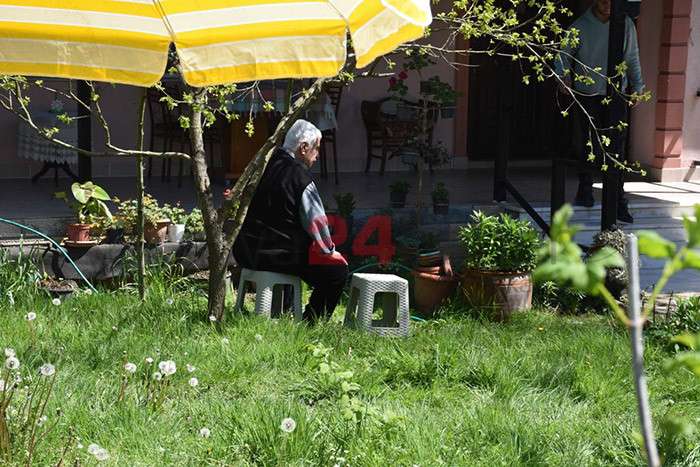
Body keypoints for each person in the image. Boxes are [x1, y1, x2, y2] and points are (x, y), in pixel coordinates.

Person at [233, 120, 348, 323]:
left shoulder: (263, 165)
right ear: (303, 148)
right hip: (277, 256)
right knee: (336, 272)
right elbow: (317, 223)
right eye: (316, 148)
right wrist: (329, 252)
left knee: (293, 245)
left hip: (245, 250)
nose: (317, 155)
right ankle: (312, 322)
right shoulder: (300, 178)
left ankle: (285, 311)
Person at [555, 0, 644, 223]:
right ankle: (585, 190)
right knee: (586, 143)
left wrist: (638, 86)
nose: (608, 4)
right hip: (587, 94)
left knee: (617, 148)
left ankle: (618, 201)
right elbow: (563, 54)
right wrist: (564, 76)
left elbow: (632, 57)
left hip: (616, 94)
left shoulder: (625, 24)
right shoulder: (580, 25)